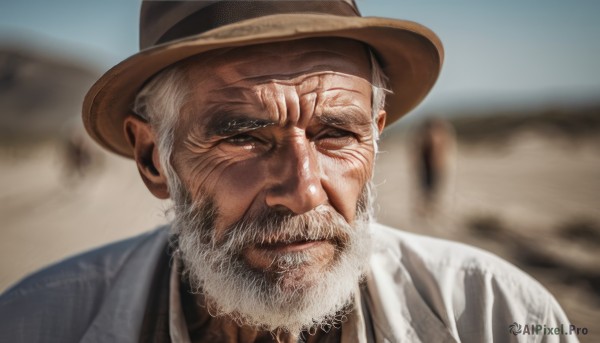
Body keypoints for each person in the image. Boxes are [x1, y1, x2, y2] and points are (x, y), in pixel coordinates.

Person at [0, 1, 576, 342]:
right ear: (154, 158)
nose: (303, 190)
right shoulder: (37, 323)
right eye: (243, 137)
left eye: (337, 134)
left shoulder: (493, 315)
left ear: (376, 134)